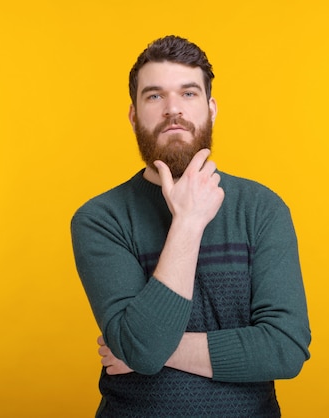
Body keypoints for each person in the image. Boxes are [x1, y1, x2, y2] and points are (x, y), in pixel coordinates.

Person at [71, 35, 311, 417]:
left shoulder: (261, 208)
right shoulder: (101, 219)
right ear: (133, 115)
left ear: (211, 108)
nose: (172, 110)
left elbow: (285, 348)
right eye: (154, 96)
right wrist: (188, 222)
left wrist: (146, 348)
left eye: (188, 94)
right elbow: (144, 348)